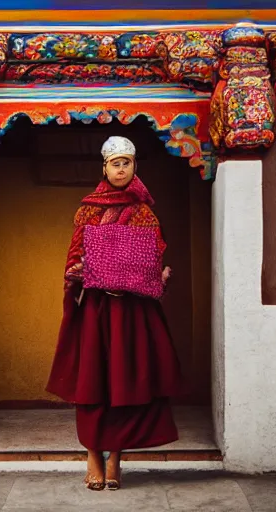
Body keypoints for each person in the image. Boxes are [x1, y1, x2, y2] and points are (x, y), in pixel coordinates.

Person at [46, 136, 184, 491]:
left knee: (125, 381)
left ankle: (116, 459)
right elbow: (75, 257)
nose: (121, 169)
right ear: (103, 168)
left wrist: (158, 274)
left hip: (133, 309)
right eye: (115, 163)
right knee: (94, 381)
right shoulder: (88, 210)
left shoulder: (144, 212)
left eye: (127, 162)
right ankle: (93, 455)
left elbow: (152, 258)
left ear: (135, 166)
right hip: (97, 307)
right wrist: (77, 272)